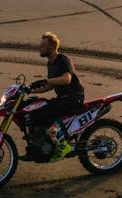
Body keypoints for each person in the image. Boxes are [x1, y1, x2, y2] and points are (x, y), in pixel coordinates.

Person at [22, 32, 85, 162]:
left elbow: (66, 79)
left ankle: (63, 146)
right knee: (35, 111)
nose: (39, 48)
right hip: (63, 98)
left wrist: (47, 80)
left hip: (73, 98)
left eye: (42, 46)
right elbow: (49, 86)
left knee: (47, 112)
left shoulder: (62, 60)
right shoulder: (50, 63)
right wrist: (29, 90)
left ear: (51, 48)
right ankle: (38, 148)